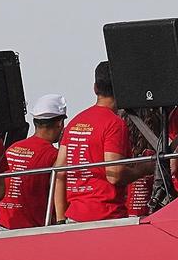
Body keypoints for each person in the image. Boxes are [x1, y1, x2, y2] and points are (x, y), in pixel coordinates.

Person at [54, 64, 147, 224]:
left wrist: (61, 219)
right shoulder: (114, 123)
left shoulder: (75, 121)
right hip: (105, 217)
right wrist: (145, 168)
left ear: (95, 88)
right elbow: (115, 174)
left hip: (74, 217)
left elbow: (59, 171)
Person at [0, 95, 67, 230]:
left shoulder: (12, 148)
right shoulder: (53, 156)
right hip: (33, 231)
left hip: (3, 229)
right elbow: (61, 196)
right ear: (60, 123)